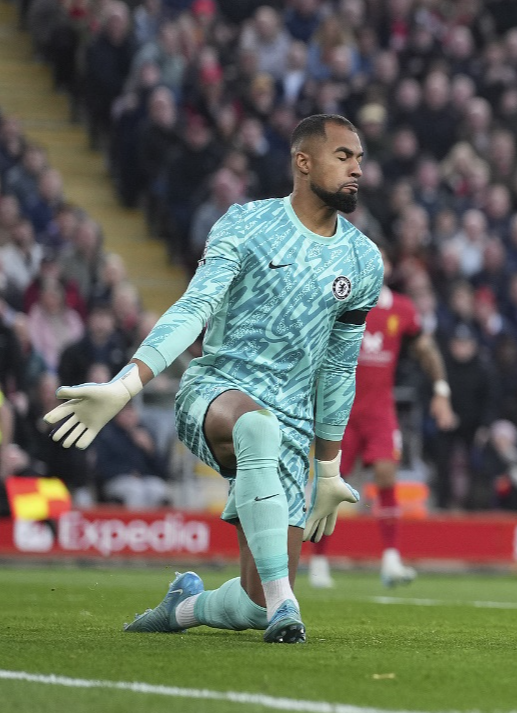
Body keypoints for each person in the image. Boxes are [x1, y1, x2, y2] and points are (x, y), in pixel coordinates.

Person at [43, 114, 383, 644]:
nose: (357, 169)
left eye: (359, 158)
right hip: (216, 393)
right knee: (256, 429)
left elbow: (339, 366)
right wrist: (127, 384)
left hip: (294, 424)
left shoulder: (363, 260)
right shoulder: (247, 224)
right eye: (344, 156)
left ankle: (187, 606)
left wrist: (329, 469)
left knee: (250, 603)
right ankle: (287, 606)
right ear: (303, 161)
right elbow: (195, 306)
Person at [308, 248, 456, 589]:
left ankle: (391, 560)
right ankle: (318, 562)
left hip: (379, 410)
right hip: (339, 410)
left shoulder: (402, 309)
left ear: (388, 267)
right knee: (330, 484)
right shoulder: (342, 300)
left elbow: (426, 349)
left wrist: (441, 391)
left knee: (387, 475)